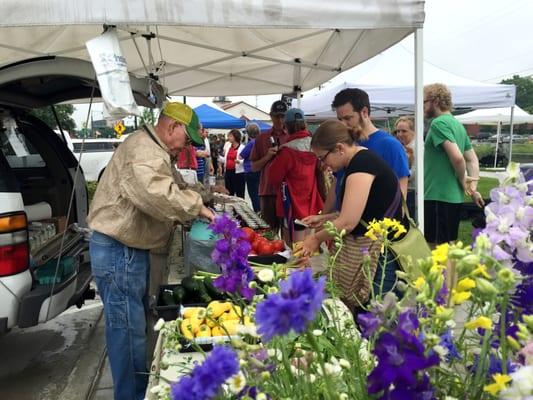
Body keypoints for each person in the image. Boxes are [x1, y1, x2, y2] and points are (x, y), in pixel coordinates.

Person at [87, 102, 215, 400]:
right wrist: (199, 208)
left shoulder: (155, 148)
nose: (185, 149)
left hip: (127, 250)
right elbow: (155, 191)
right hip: (120, 251)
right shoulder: (143, 149)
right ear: (172, 127)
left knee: (133, 330)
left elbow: (177, 184)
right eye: (186, 140)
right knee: (127, 333)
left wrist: (205, 196)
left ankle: (139, 389)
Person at [301, 120, 402, 310]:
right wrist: (324, 218)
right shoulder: (357, 161)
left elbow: (348, 222)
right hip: (376, 247)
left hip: (382, 254)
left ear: (339, 148)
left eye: (323, 158)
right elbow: (363, 209)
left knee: (376, 317)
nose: (323, 165)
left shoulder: (362, 165)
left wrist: (315, 239)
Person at [305, 88, 410, 228]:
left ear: (364, 112)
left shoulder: (390, 145)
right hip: (345, 229)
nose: (343, 124)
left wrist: (388, 233)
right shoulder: (345, 144)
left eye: (348, 118)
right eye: (339, 119)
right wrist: (323, 217)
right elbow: (337, 183)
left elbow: (400, 195)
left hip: (374, 234)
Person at [423, 83, 484, 245]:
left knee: (437, 250)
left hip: (437, 196)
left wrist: (463, 179)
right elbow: (472, 159)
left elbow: (458, 158)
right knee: (449, 246)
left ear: (435, 101)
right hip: (452, 198)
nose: (422, 106)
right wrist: (473, 188)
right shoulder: (457, 125)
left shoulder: (438, 124)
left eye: (424, 102)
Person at [266, 108, 324, 244]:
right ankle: (306, 266)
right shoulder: (315, 146)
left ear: (287, 127)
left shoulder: (287, 151)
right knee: (308, 245)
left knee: (293, 248)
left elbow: (273, 178)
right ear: (305, 123)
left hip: (291, 204)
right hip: (311, 202)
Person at [250, 100, 289, 231]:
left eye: (282, 116)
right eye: (277, 116)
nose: (279, 120)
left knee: (289, 234)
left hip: (288, 192)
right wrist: (267, 156)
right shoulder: (262, 138)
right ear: (271, 115)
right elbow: (254, 167)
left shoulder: (291, 137)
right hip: (268, 192)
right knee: (268, 234)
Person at [394, 116, 416, 218]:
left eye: (404, 131)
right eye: (397, 131)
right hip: (405, 190)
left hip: (413, 193)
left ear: (413, 131)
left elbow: (414, 174)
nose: (400, 134)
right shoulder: (401, 147)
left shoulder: (418, 148)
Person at [239, 123, 261, 211]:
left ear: (248, 133)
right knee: (259, 193)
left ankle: (257, 211)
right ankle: (261, 211)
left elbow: (241, 156)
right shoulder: (261, 142)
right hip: (260, 169)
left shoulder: (251, 143)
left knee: (253, 194)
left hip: (250, 170)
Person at [220, 129, 245, 198]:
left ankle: (240, 207)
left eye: (230, 136)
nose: (229, 138)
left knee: (239, 193)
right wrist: (218, 158)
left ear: (235, 137)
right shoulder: (228, 147)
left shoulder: (242, 147)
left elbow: (246, 160)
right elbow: (225, 159)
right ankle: (230, 207)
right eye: (229, 136)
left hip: (238, 173)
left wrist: (239, 161)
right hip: (228, 172)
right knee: (229, 192)